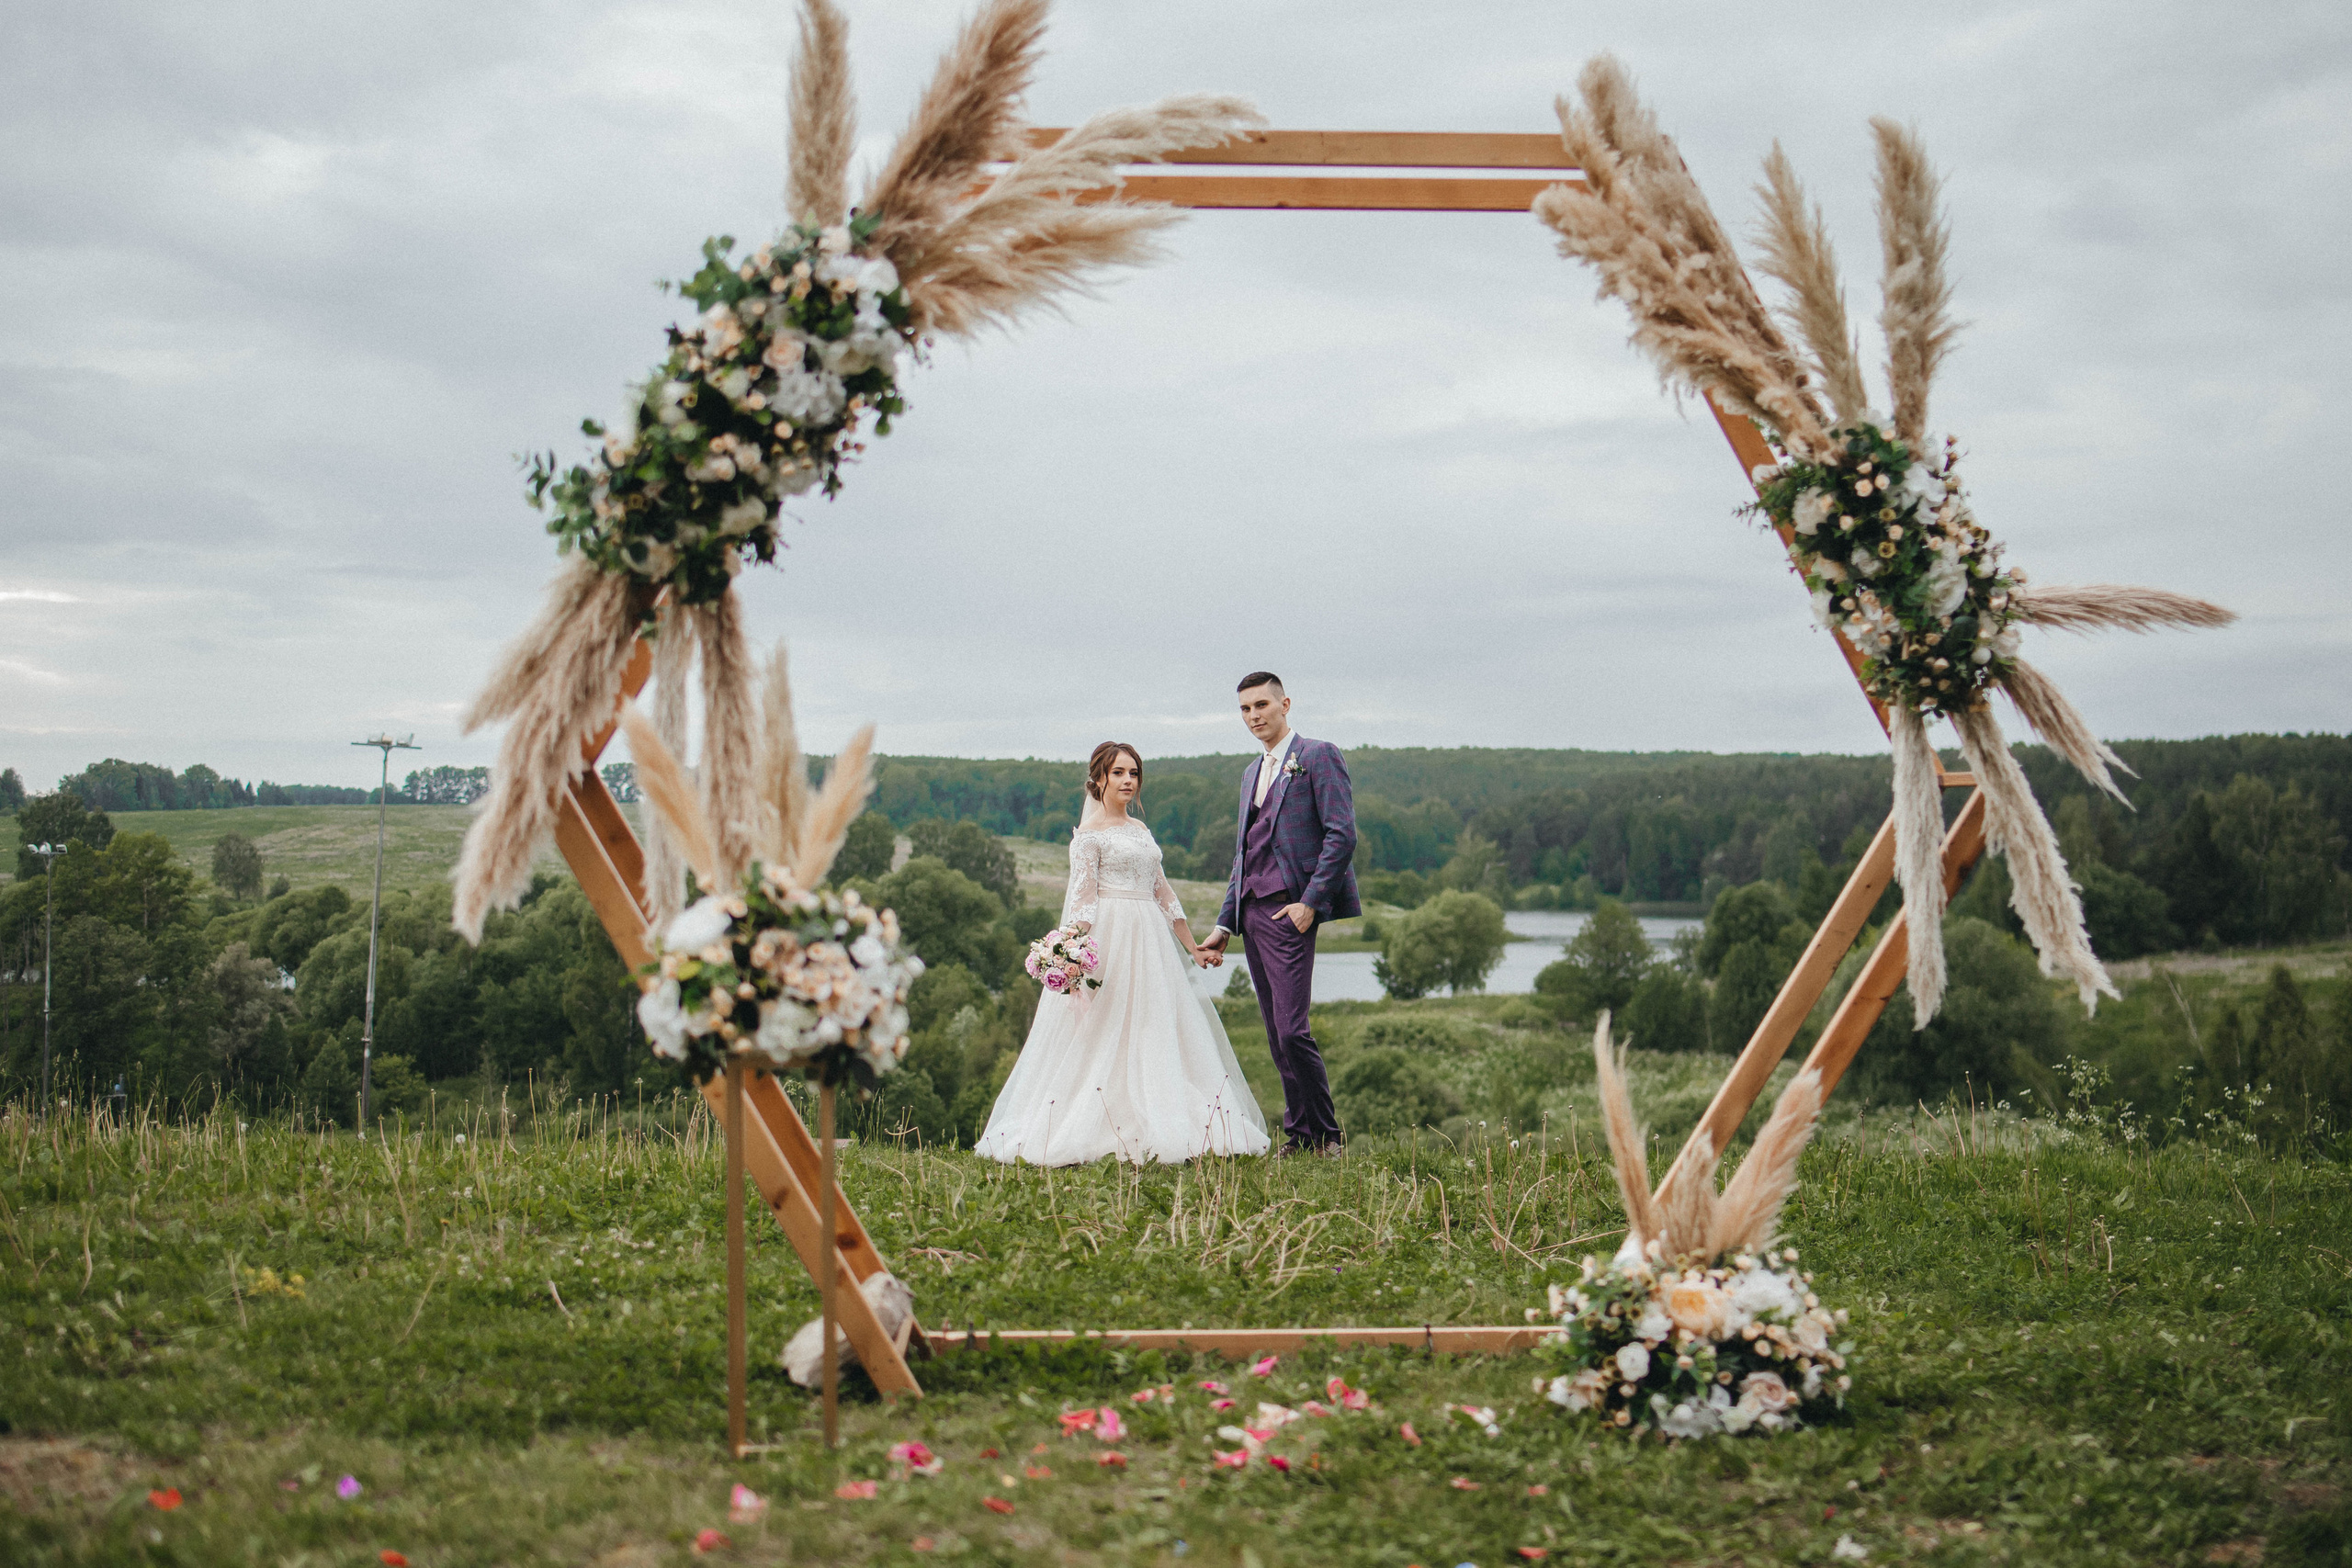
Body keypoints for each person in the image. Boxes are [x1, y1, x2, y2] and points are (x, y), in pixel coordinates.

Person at [974, 742, 1270, 1165]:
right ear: (1098, 779)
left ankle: (1160, 1114)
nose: (1128, 780)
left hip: (1150, 936)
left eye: (1133, 773)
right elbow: (1082, 902)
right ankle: (1096, 1120)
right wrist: (1066, 949)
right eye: (1118, 773)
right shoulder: (1089, 836)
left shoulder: (1142, 832)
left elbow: (1162, 891)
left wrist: (1193, 948)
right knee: (1108, 1025)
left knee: (1153, 1022)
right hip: (1111, 935)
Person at [1196, 672, 1358, 1156]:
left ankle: (1328, 1136)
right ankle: (1302, 1135)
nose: (1254, 716)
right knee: (1274, 1032)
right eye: (1245, 709)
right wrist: (1226, 923)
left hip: (1291, 911)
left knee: (1292, 1028)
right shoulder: (1250, 773)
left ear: (1285, 703)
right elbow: (1242, 856)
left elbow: (1341, 835)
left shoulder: (1317, 756)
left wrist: (1310, 902)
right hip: (1252, 915)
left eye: (1262, 705)